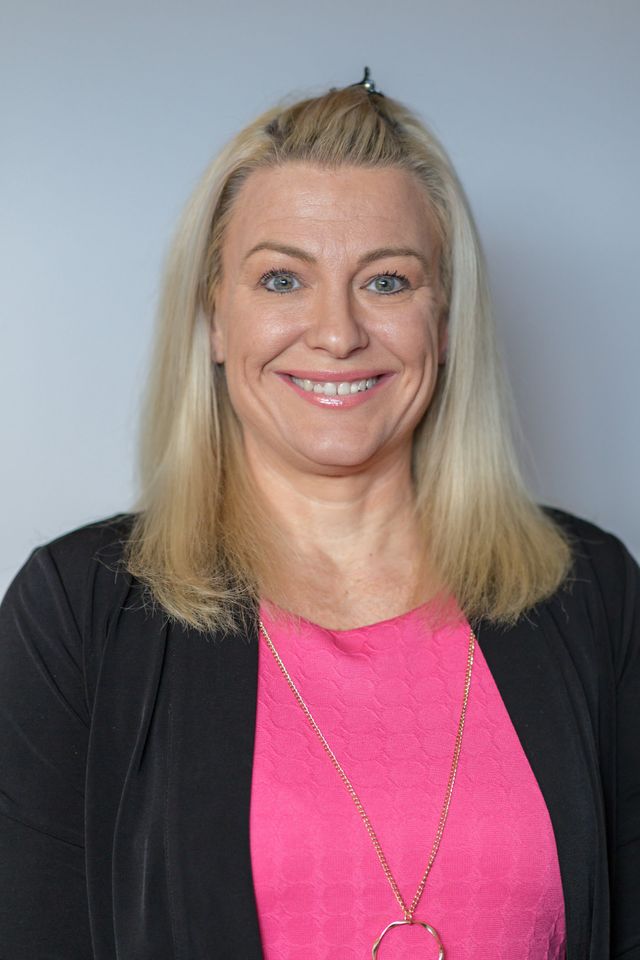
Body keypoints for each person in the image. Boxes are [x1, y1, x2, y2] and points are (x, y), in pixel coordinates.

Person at [0, 68, 638, 960]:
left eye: (387, 282)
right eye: (280, 279)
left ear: (444, 322)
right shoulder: (77, 610)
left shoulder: (593, 591)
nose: (337, 333)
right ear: (215, 319)